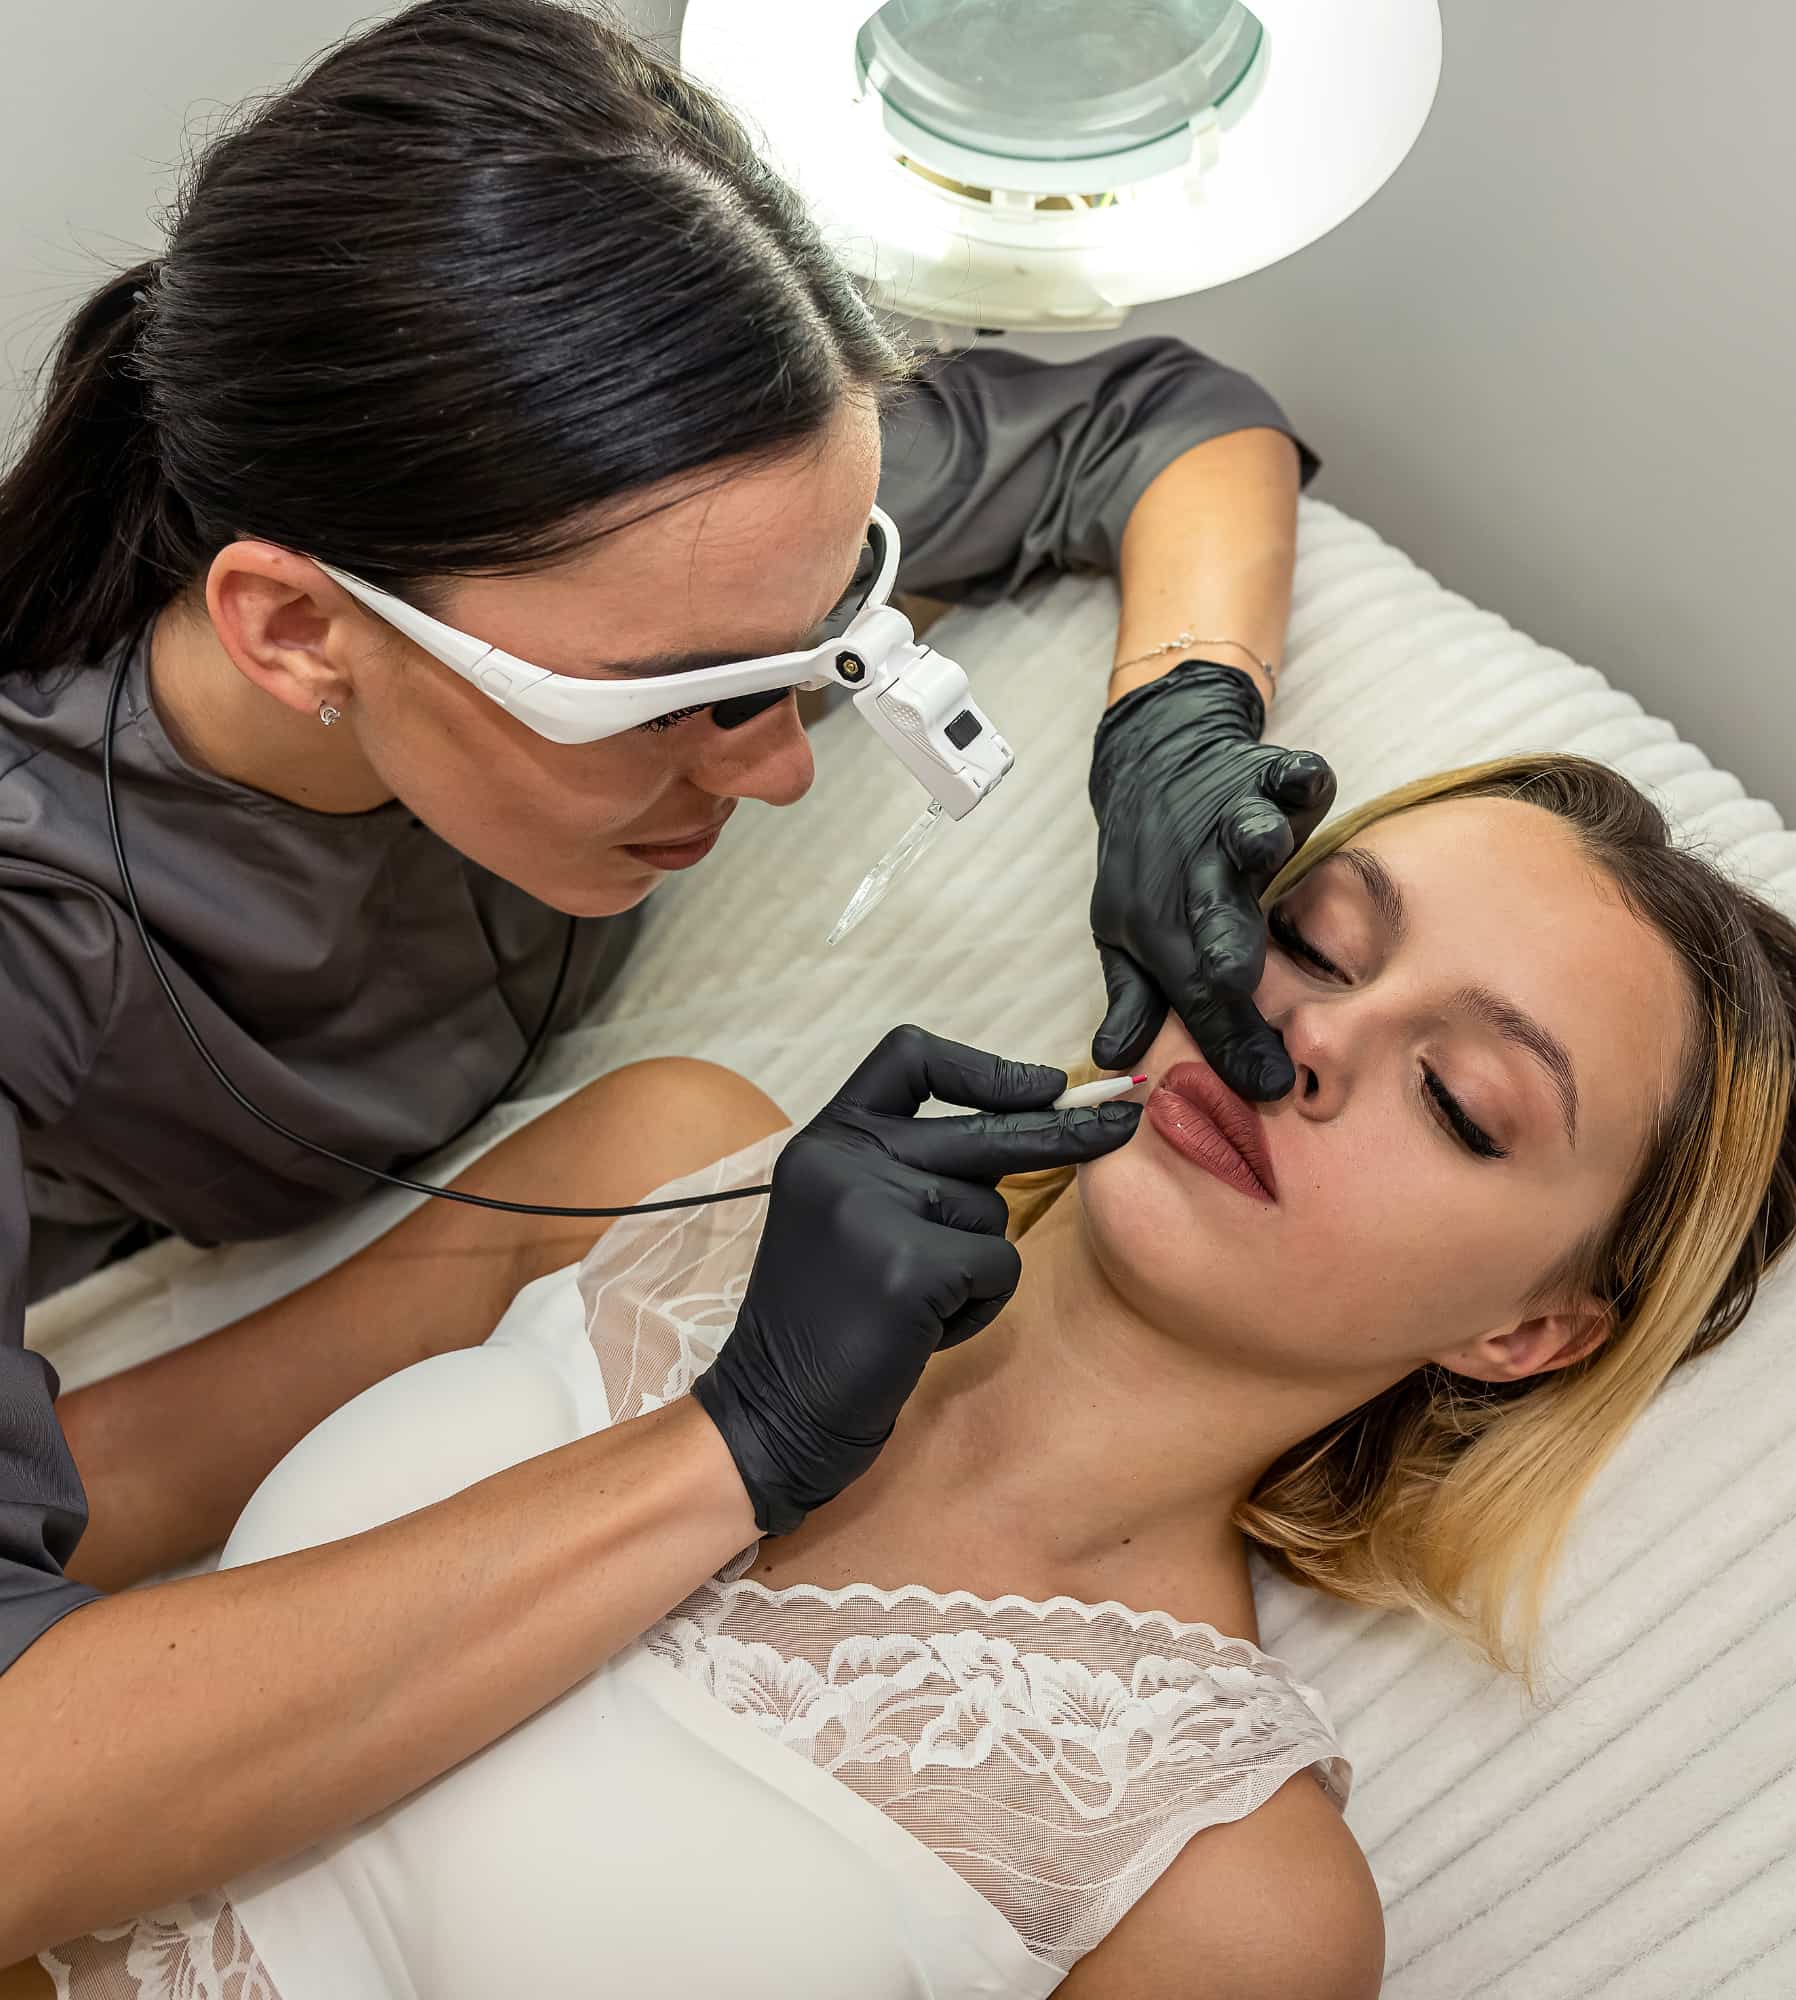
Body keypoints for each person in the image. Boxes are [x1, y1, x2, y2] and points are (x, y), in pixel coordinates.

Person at [0, 0, 1338, 1926]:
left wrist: (1184, 718)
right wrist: (741, 1441)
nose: (786, 769)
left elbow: (1162, 415)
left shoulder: (694, 520)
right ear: (299, 631)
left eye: (827, 645)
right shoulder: (43, 925)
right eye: (687, 708)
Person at [26, 755, 1796, 1997]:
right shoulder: (679, 1166)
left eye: (1463, 1102)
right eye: (1311, 940)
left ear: (1524, 1332)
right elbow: (83, 1492)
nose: (1306, 1039)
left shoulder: (1221, 1891)